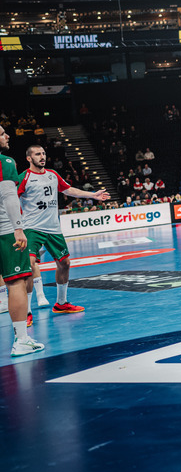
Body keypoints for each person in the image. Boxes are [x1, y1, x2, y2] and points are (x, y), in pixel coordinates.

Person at [18, 145, 110, 315]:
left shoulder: (52, 175)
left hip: (53, 228)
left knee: (65, 263)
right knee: (29, 265)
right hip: (32, 228)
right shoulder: (24, 177)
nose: (42, 157)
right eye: (37, 154)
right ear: (29, 158)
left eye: (43, 153)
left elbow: (69, 190)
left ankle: (61, 303)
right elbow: (11, 199)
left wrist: (92, 195)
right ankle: (26, 312)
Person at [0, 127, 44, 356]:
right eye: (1, 133)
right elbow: (9, 197)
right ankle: (21, 340)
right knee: (16, 282)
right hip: (5, 231)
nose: (7, 136)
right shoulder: (5, 162)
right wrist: (18, 229)